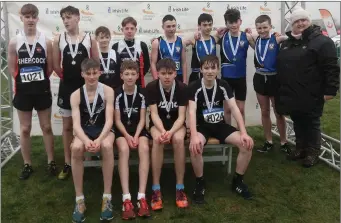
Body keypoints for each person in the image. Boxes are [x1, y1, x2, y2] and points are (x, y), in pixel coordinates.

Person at [275, 7, 339, 167]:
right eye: (297, 21)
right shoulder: (288, 42)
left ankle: (312, 152)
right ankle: (300, 148)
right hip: (293, 92)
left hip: (313, 92)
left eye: (303, 20)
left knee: (311, 122)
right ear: (292, 24)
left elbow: (331, 67)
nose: (300, 23)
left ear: (309, 21)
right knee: (297, 120)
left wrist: (331, 90)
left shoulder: (322, 41)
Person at [188, 55, 254, 202]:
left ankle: (238, 182)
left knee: (247, 144)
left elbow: (234, 108)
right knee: (195, 146)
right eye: (206, 68)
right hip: (202, 127)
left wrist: (243, 132)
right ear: (201, 70)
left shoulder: (223, 84)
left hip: (220, 126)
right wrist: (193, 135)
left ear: (218, 70)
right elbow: (191, 112)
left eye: (213, 68)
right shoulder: (194, 86)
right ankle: (200, 183)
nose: (209, 71)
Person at [8, 3, 57, 180]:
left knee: (46, 127)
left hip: (42, 90)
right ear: (21, 18)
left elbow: (50, 66)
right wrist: (24, 81)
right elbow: (13, 68)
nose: (30, 19)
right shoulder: (15, 42)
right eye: (26, 16)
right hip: (23, 91)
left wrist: (38, 81)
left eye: (33, 16)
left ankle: (51, 161)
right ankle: (27, 164)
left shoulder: (46, 41)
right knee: (25, 128)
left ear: (37, 18)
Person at [52, 5, 99, 180]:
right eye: (63, 18)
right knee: (67, 127)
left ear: (78, 18)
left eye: (69, 17)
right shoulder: (58, 39)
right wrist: (68, 78)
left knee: (87, 125)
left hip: (85, 89)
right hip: (66, 88)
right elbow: (56, 65)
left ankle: (87, 158)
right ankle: (68, 162)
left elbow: (95, 64)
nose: (66, 21)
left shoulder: (89, 39)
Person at [69, 58, 115, 222]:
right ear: (82, 74)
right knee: (75, 148)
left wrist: (100, 139)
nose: (91, 77)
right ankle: (79, 199)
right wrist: (87, 141)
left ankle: (107, 197)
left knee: (107, 146)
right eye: (88, 73)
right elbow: (75, 124)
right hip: (84, 132)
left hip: (104, 129)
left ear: (100, 73)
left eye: (95, 73)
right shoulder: (75, 95)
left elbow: (110, 120)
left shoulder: (108, 91)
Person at [146, 58, 189, 210]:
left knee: (178, 140)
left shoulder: (182, 88)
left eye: (170, 73)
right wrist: (164, 131)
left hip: (176, 125)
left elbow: (182, 116)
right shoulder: (151, 87)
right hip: (158, 125)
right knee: (158, 139)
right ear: (157, 73)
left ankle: (180, 187)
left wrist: (170, 132)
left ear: (175, 73)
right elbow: (154, 114)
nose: (166, 77)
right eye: (163, 73)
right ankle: (156, 188)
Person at [114, 60, 151, 219]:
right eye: (126, 74)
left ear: (138, 75)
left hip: (138, 130)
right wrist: (128, 136)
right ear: (121, 75)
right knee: (123, 149)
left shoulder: (142, 93)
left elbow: (143, 120)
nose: (130, 77)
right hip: (122, 131)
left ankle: (141, 197)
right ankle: (126, 198)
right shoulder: (116, 93)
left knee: (144, 148)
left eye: (133, 74)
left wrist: (135, 135)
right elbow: (116, 120)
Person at [251, 15, 289, 153]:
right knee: (265, 111)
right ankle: (269, 141)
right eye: (259, 28)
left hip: (274, 79)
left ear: (271, 27)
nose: (262, 30)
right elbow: (244, 33)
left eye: (265, 27)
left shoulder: (277, 39)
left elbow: (291, 37)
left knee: (279, 113)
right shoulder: (255, 39)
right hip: (260, 78)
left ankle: (284, 142)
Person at [219, 9, 255, 124]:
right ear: (226, 23)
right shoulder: (221, 36)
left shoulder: (247, 37)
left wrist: (274, 35)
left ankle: (242, 133)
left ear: (240, 21)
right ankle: (227, 133)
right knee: (227, 109)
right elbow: (205, 38)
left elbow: (259, 47)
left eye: (236, 21)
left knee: (240, 110)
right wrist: (197, 34)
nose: (234, 25)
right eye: (230, 22)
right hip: (226, 79)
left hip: (240, 78)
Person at [112, 17, 150, 88]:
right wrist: (123, 77)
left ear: (135, 30)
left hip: (138, 83)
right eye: (126, 28)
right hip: (121, 83)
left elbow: (147, 64)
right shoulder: (116, 46)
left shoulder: (142, 45)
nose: (129, 31)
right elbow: (115, 67)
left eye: (132, 28)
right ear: (122, 30)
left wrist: (136, 76)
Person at [151, 14, 187, 84]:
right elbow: (153, 63)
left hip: (178, 76)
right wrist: (156, 80)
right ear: (163, 27)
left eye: (173, 26)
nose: (171, 29)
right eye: (168, 26)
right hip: (164, 76)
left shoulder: (181, 41)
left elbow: (184, 63)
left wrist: (185, 81)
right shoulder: (157, 42)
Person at [184, 13, 217, 84]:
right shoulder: (195, 39)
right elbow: (179, 43)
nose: (208, 27)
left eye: (210, 24)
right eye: (205, 25)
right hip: (197, 75)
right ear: (199, 26)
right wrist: (193, 35)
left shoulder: (214, 38)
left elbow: (229, 29)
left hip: (211, 74)